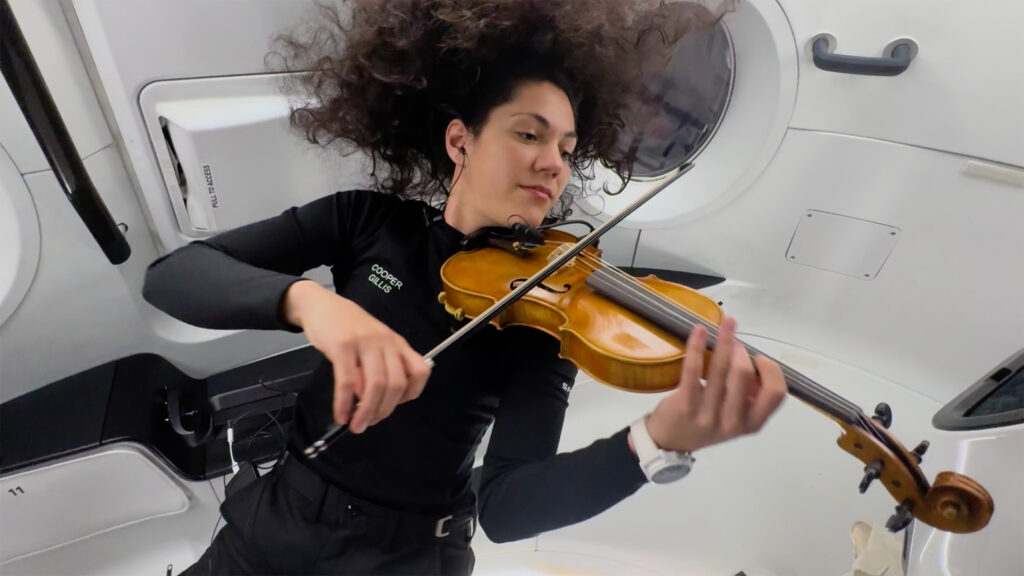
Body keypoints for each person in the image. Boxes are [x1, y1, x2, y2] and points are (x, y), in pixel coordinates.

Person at [143, 1, 785, 574]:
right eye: (529, 134)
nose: (554, 162)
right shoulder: (369, 223)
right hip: (278, 523)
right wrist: (312, 305)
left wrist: (653, 441)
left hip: (410, 556)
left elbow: (506, 506)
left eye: (566, 147)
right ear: (461, 140)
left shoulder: (541, 318)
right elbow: (172, 279)